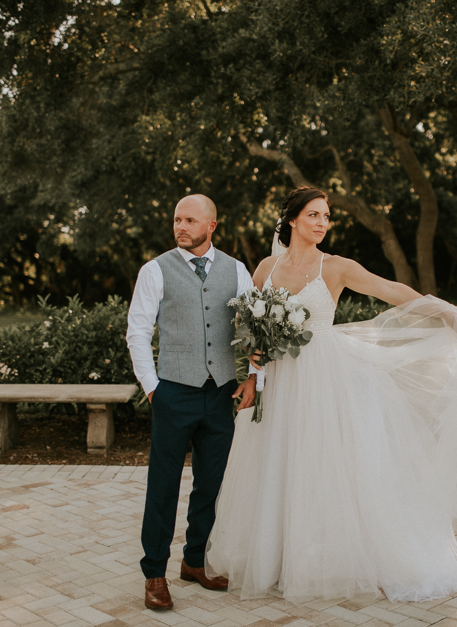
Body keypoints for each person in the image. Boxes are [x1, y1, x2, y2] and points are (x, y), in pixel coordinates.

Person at [205, 187, 457, 603]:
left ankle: (335, 557)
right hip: (279, 384)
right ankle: (280, 558)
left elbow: (391, 291)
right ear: (294, 219)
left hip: (324, 380)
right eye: (315, 215)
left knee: (328, 466)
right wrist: (253, 372)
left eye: (327, 216)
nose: (322, 223)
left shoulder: (336, 267)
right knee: (279, 463)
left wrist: (447, 313)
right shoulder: (265, 268)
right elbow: (253, 332)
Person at [127, 194, 259, 610]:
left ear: (211, 227)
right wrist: (153, 388)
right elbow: (137, 331)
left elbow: (255, 328)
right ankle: (154, 574)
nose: (180, 226)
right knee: (163, 487)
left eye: (189, 220)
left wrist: (254, 378)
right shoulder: (155, 270)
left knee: (211, 484)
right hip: (173, 392)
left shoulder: (237, 270)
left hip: (220, 392)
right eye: (176, 219)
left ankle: (196, 561)